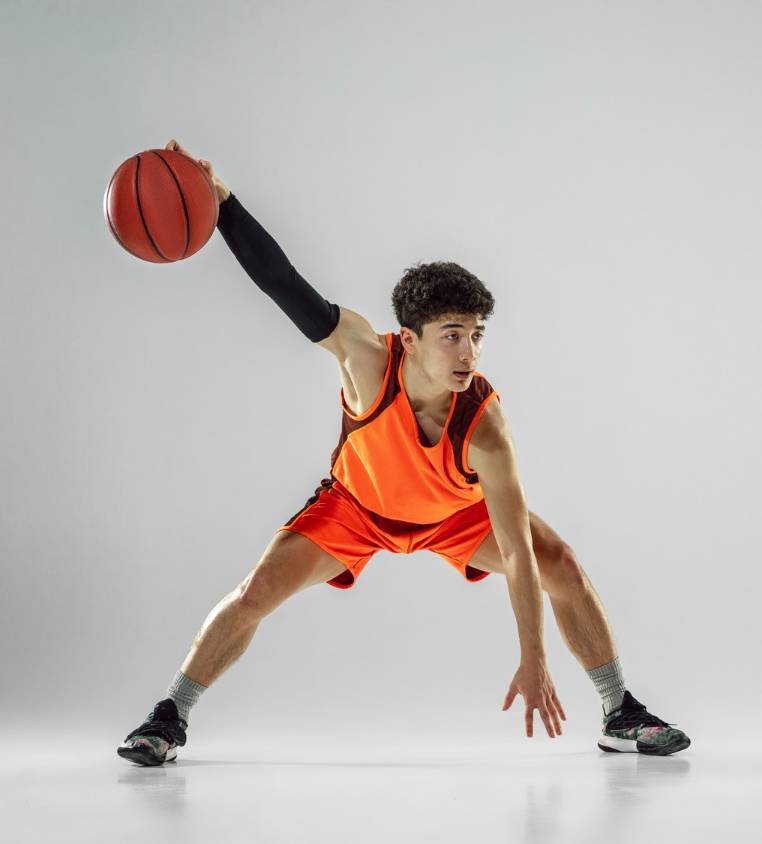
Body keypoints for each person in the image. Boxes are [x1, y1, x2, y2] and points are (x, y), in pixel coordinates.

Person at [117, 139, 690, 766]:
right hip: (354, 509)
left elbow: (518, 553)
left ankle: (620, 711)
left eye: (477, 336)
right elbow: (283, 284)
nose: (468, 353)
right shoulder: (366, 359)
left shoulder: (485, 426)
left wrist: (533, 658)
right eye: (452, 336)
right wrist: (223, 202)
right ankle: (168, 718)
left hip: (453, 517)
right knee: (257, 591)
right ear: (410, 340)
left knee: (563, 565)